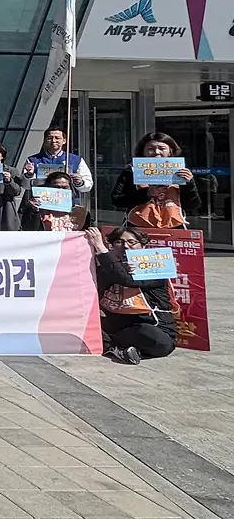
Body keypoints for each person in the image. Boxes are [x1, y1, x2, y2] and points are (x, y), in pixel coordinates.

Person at [86, 226, 176, 365]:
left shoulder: (156, 267)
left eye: (132, 242)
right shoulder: (107, 268)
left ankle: (117, 347)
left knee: (156, 340)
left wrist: (101, 248)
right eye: (119, 242)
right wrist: (119, 268)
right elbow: (99, 284)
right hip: (117, 326)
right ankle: (121, 349)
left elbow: (128, 280)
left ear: (143, 246)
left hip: (150, 326)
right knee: (86, 327)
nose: (126, 246)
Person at [111, 131, 199, 228]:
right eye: (150, 149)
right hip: (137, 228)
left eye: (162, 148)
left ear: (170, 151)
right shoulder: (131, 171)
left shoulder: (180, 171)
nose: (156, 152)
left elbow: (193, 205)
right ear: (143, 151)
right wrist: (146, 193)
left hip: (173, 227)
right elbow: (117, 200)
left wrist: (189, 184)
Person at [24, 126, 92, 197]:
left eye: (57, 138)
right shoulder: (33, 160)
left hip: (68, 201)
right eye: (50, 138)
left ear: (64, 141)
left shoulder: (76, 160)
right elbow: (25, 185)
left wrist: (80, 183)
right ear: (45, 140)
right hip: (42, 200)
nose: (53, 141)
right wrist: (29, 175)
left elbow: (88, 185)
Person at [21, 171, 89, 231]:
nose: (61, 191)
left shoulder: (81, 212)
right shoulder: (34, 209)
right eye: (57, 187)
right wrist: (35, 212)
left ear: (71, 189)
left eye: (65, 188)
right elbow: (28, 231)